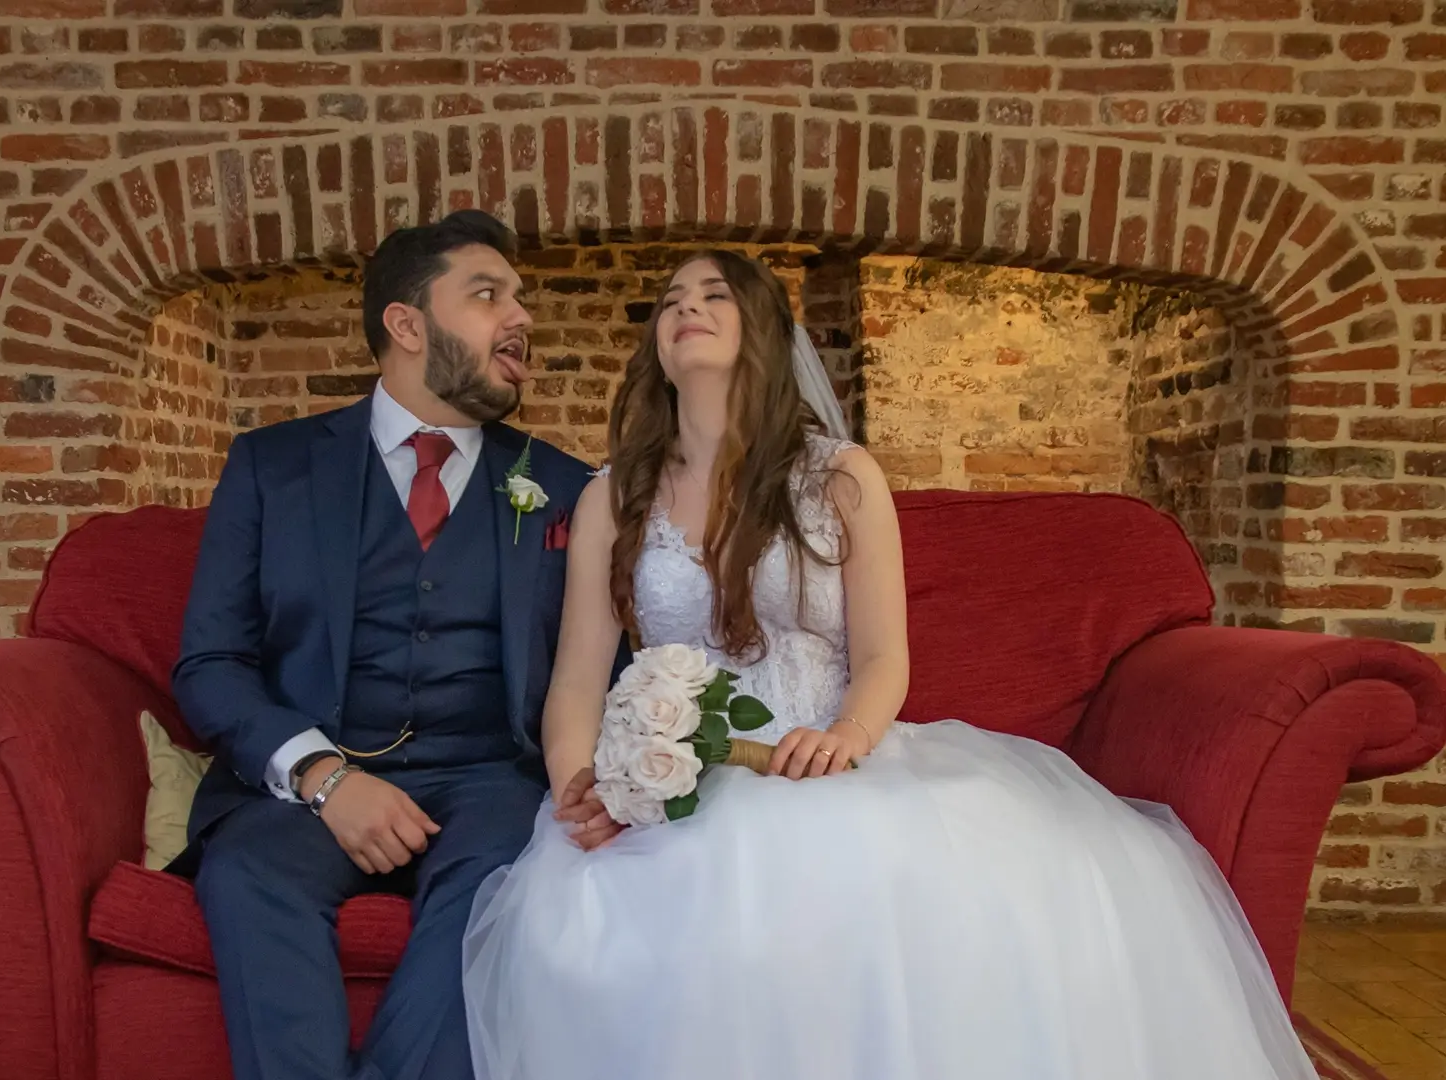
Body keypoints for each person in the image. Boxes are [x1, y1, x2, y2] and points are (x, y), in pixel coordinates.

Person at [460, 249, 1320, 1080]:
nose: (686, 307)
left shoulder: (840, 478)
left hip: (826, 758)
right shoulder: (615, 495)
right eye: (673, 299)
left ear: (761, 329)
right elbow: (578, 678)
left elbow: (881, 657)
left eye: (715, 295)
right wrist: (590, 790)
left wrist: (846, 736)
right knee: (594, 907)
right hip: (671, 776)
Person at [172, 210, 609, 1080]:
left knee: (504, 882)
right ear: (406, 325)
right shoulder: (273, 466)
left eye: (520, 298)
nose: (521, 317)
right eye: (488, 296)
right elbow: (208, 664)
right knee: (247, 871)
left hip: (491, 783)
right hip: (310, 784)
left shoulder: (561, 486)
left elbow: (601, 668)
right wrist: (324, 778)